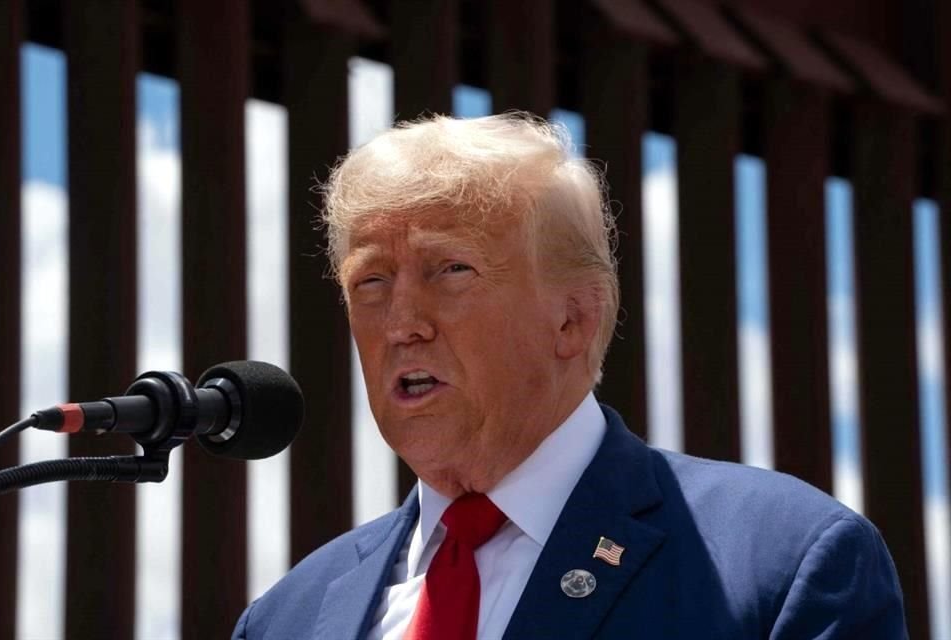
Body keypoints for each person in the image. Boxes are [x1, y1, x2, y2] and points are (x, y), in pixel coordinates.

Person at [233, 113, 907, 639]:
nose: (402, 322)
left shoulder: (782, 559)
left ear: (574, 319)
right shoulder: (284, 618)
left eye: (452, 270)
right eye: (371, 282)